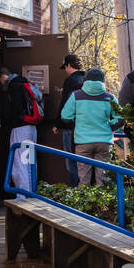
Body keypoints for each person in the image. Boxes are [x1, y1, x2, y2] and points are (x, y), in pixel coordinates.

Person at [61, 68, 123, 186]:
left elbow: (65, 117)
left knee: (84, 179)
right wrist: (108, 126)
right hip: (104, 142)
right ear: (102, 81)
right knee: (104, 179)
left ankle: (84, 203)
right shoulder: (109, 97)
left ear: (85, 80)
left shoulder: (76, 96)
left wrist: (78, 121)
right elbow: (120, 118)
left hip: (83, 141)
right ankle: (104, 204)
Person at [0, 66, 39, 193]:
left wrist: (2, 122)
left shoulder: (13, 87)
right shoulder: (24, 83)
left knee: (20, 162)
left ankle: (23, 194)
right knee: (30, 161)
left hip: (20, 129)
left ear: (2, 77)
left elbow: (15, 111)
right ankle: (31, 191)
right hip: (31, 127)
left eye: (0, 81)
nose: (1, 84)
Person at [51, 54, 85, 185]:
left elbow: (66, 104)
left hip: (70, 127)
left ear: (69, 65)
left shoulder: (70, 80)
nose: (65, 70)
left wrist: (57, 123)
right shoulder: (87, 78)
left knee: (71, 159)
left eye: (65, 67)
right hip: (86, 126)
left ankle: (74, 189)